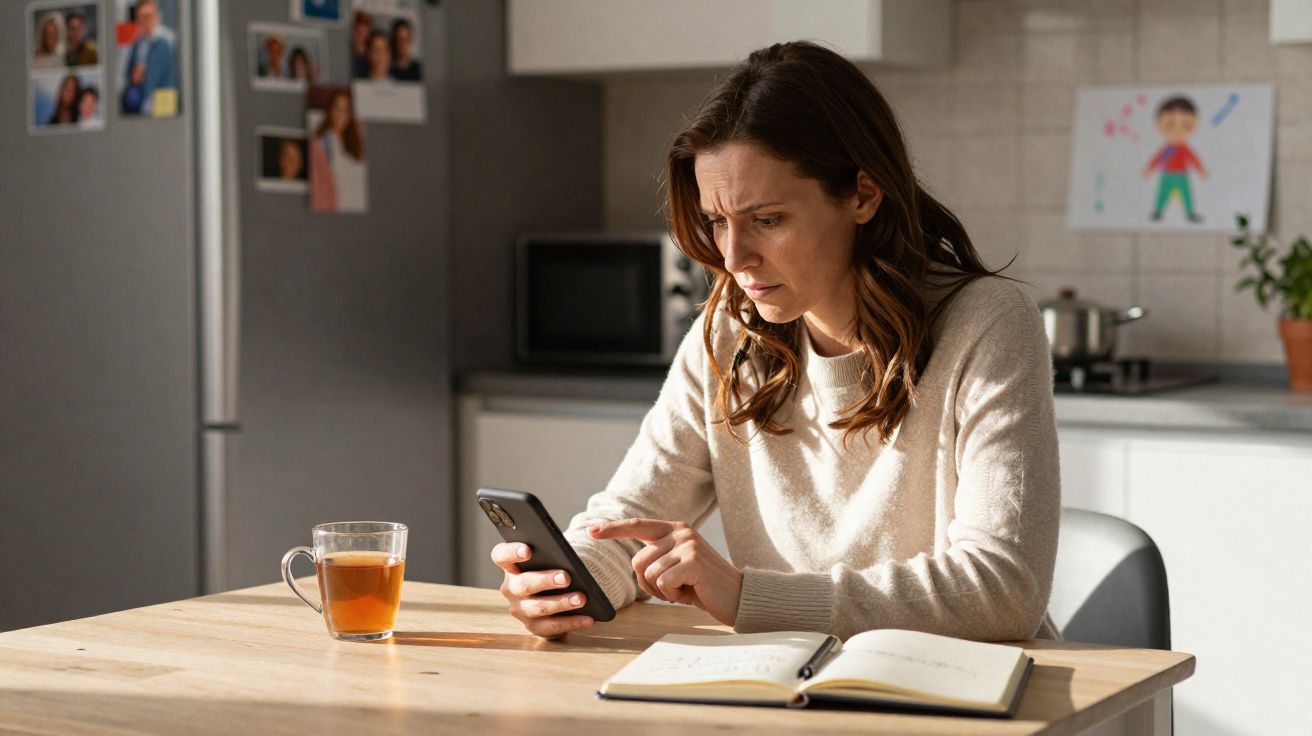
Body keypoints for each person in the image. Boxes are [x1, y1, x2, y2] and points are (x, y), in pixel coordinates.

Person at [491, 41, 1062, 643]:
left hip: (957, 692)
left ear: (863, 196)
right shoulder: (729, 331)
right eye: (718, 220)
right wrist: (569, 586)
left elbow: (1003, 590)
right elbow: (625, 521)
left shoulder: (989, 323)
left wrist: (746, 595)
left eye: (767, 220)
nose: (733, 258)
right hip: (785, 685)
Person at [1142, 96, 1209, 224]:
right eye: (1170, 125)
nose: (1178, 130)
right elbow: (1157, 159)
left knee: (1186, 195)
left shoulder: (1185, 149)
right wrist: (1149, 169)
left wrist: (1201, 170)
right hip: (1167, 175)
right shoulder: (1166, 149)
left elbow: (1194, 160)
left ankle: (1190, 213)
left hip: (1182, 175)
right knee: (1162, 193)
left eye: (1186, 125)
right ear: (1159, 125)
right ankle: (1158, 211)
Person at [309, 89, 366, 212]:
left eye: (346, 110)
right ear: (330, 110)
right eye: (337, 109)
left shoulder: (355, 141)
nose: (341, 115)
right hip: (334, 206)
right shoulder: (322, 142)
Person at [121, 0, 178, 116]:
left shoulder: (168, 41)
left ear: (157, 15)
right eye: (141, 18)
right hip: (143, 106)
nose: (145, 21)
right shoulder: (136, 44)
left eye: (149, 16)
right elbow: (128, 76)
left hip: (164, 103)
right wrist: (134, 77)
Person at [349, 11, 372, 78]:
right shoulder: (346, 53)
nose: (360, 29)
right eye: (357, 24)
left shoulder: (372, 55)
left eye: (365, 25)